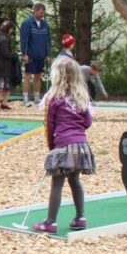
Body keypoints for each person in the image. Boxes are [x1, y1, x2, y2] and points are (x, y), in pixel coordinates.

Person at [33, 58, 96, 233]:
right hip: (80, 145)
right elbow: (88, 122)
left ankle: (50, 222)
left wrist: (52, 146)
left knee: (57, 183)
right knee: (75, 180)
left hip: (63, 144)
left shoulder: (54, 100)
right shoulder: (81, 97)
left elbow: (50, 125)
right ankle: (80, 217)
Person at [19, 3, 51, 107]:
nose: (42, 14)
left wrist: (47, 54)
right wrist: (24, 53)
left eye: (43, 13)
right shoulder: (27, 23)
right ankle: (25, 98)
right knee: (28, 76)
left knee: (38, 76)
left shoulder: (45, 25)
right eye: (41, 12)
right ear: (35, 11)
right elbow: (24, 40)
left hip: (41, 55)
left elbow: (48, 41)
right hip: (31, 55)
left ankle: (37, 98)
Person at [0, 20, 15, 112]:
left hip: (0, 65)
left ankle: (4, 103)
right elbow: (5, 54)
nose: (11, 30)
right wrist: (13, 54)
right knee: (0, 87)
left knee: (7, 86)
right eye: (11, 28)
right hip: (2, 66)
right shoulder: (4, 39)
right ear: (8, 29)